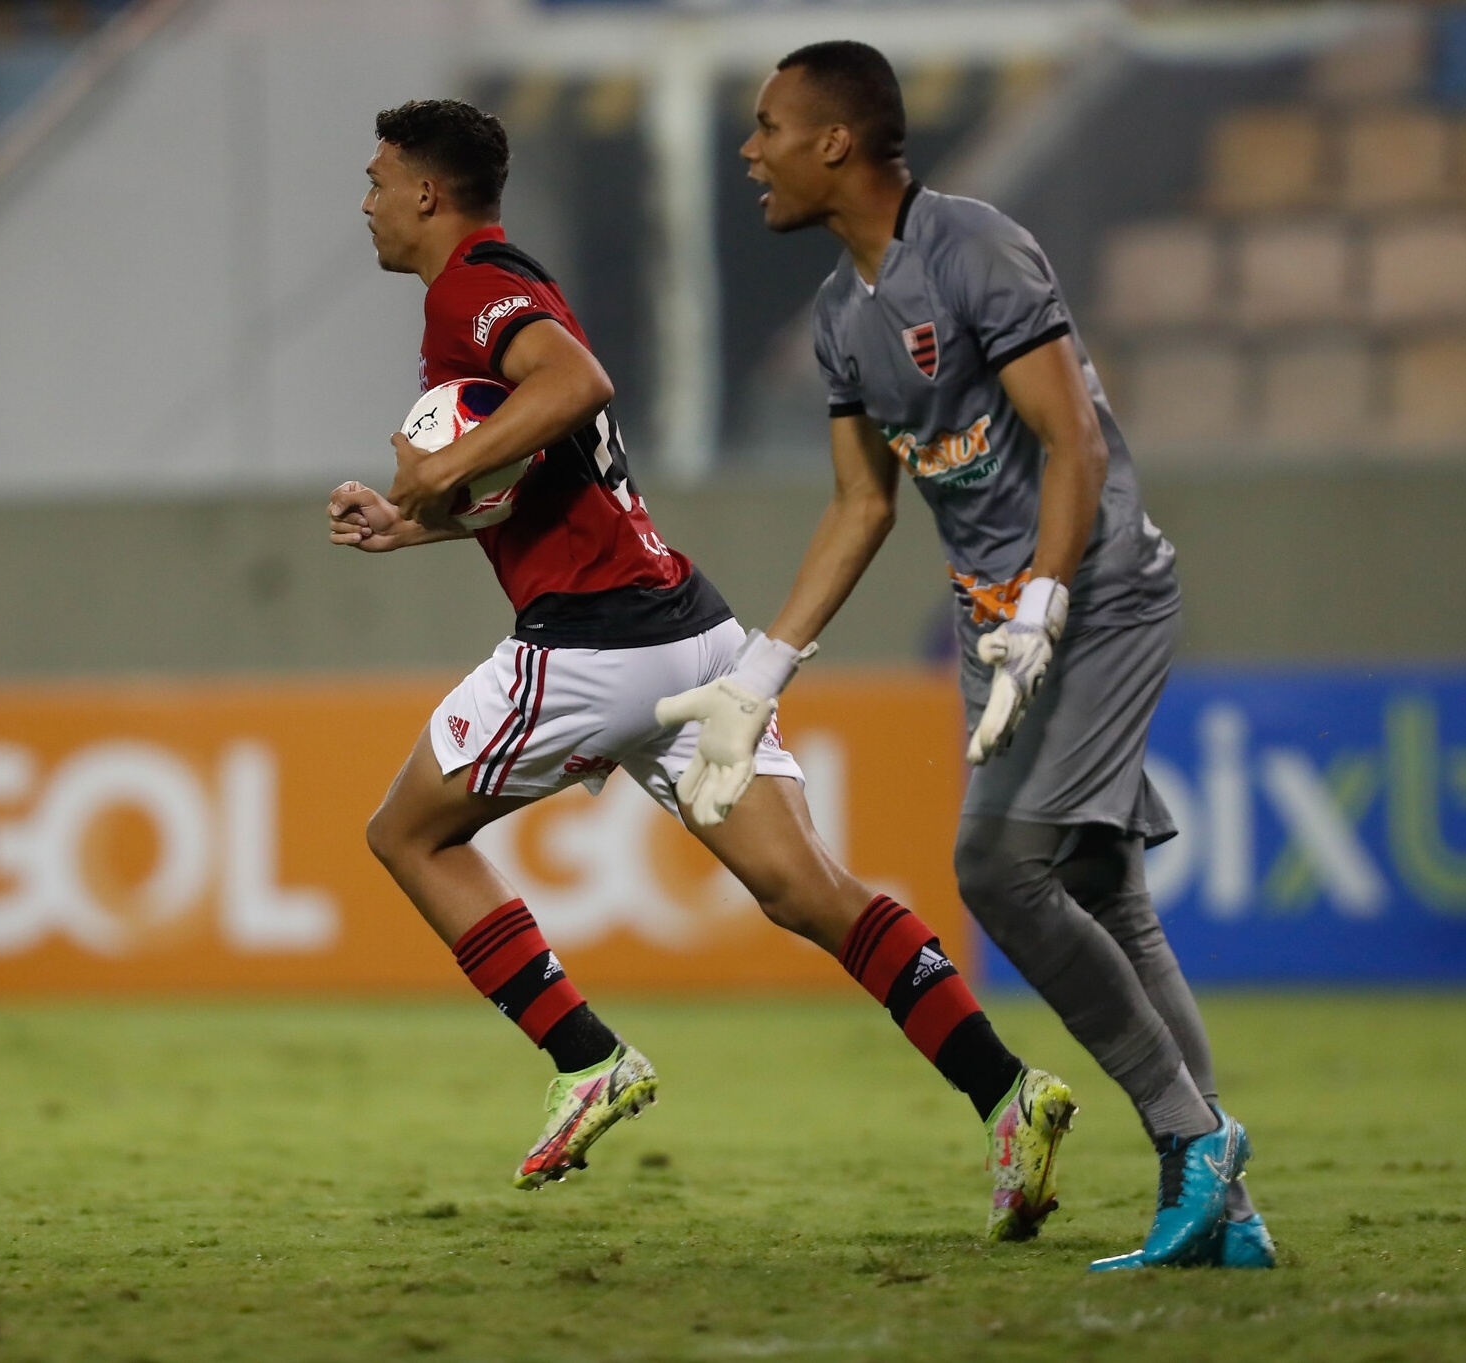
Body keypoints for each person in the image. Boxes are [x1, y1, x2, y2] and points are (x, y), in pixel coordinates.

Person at [329, 97, 1075, 1241]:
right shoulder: (494, 288)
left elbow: (576, 386)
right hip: (688, 631)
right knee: (804, 888)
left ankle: (586, 1057)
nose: (367, 200)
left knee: (406, 833)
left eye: (377, 178)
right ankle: (1007, 1091)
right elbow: (545, 471)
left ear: (427, 193)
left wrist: (437, 476)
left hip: (589, 645)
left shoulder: (470, 286)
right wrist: (409, 518)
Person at [661, 40, 1274, 1271]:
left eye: (769, 126)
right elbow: (859, 508)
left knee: (994, 869)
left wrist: (1046, 598)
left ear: (835, 141)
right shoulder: (841, 318)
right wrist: (760, 673)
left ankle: (1194, 1138)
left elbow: (1074, 447)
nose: (749, 150)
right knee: (1097, 888)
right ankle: (1223, 1210)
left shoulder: (976, 248)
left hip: (1090, 593)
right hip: (995, 621)